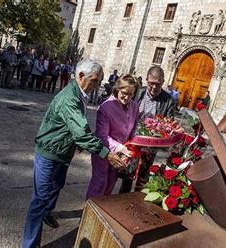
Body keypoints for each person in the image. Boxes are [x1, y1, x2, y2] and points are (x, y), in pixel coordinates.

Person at [22, 59, 126, 248]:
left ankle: (47, 213)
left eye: (98, 81)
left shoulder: (80, 94)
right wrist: (107, 154)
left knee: (58, 184)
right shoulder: (70, 98)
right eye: (94, 80)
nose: (95, 86)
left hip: (63, 151)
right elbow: (82, 133)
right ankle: (29, 244)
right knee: (39, 200)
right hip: (49, 153)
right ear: (80, 76)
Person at [119, 65, 176, 193]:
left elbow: (169, 123)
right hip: (132, 141)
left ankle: (137, 202)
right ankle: (122, 199)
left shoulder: (168, 101)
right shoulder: (137, 93)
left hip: (151, 144)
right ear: (146, 80)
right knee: (127, 174)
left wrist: (160, 131)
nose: (154, 87)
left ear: (163, 81)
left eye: (158, 84)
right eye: (151, 83)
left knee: (143, 178)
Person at [86, 74, 139, 199]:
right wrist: (120, 147)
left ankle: (102, 211)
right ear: (117, 89)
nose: (126, 97)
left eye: (130, 94)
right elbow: (101, 135)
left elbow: (135, 126)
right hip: (104, 151)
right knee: (99, 183)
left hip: (123, 153)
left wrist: (132, 144)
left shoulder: (134, 106)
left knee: (111, 182)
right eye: (124, 93)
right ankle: (89, 211)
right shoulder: (106, 107)